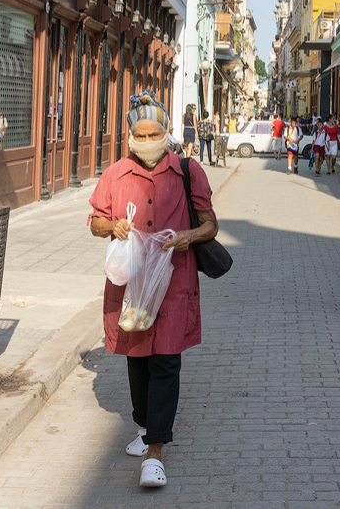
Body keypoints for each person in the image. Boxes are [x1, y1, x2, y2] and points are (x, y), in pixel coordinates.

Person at [88, 91, 218, 488]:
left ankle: (156, 453)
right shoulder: (114, 175)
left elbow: (211, 225)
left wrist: (187, 236)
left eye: (154, 134)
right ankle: (145, 427)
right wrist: (114, 227)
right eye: (140, 136)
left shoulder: (187, 171)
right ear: (129, 136)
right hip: (132, 288)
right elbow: (95, 221)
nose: (147, 141)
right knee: (138, 360)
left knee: (166, 361)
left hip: (174, 283)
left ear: (167, 133)